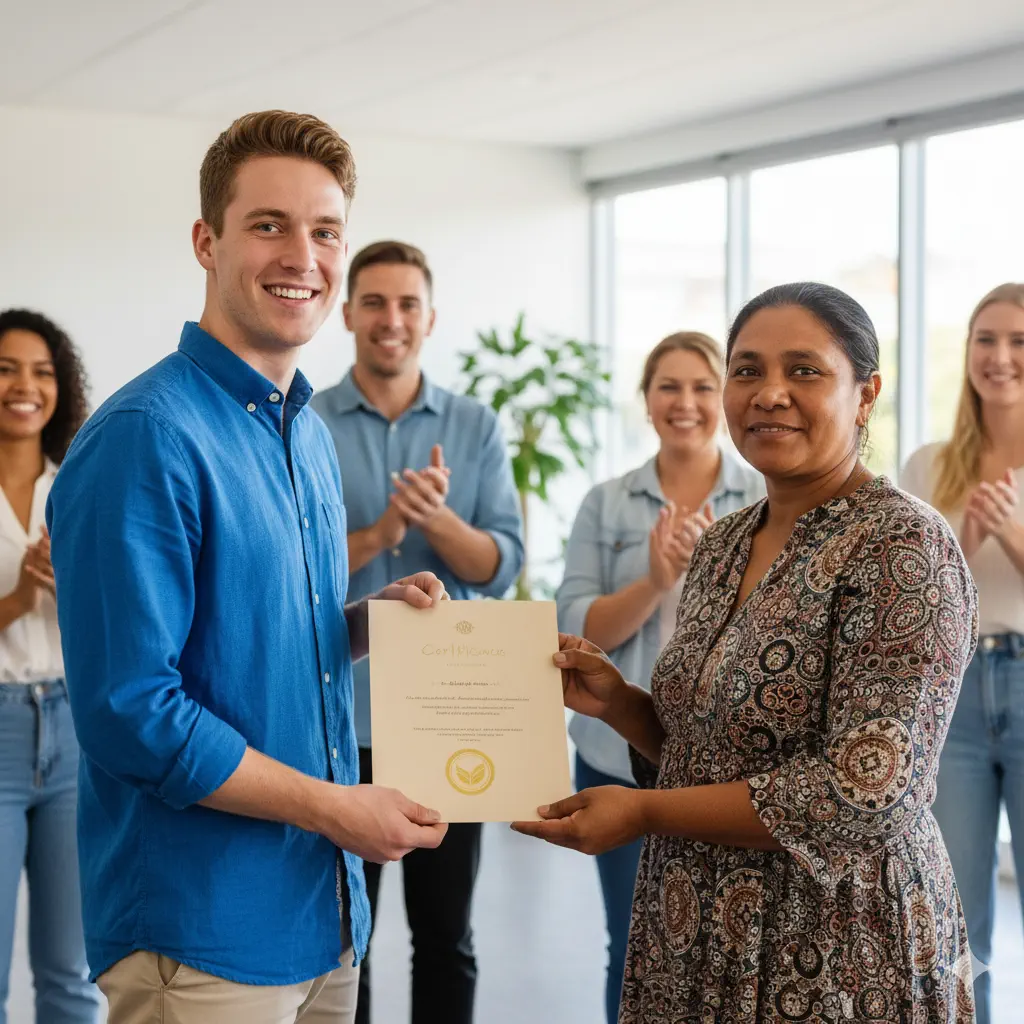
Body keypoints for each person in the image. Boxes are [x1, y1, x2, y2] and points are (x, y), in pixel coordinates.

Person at [46, 112, 452, 1024]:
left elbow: (253, 647)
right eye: (268, 224)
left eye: (324, 230)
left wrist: (361, 624)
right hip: (201, 931)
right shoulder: (145, 439)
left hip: (323, 909)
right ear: (206, 241)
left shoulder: (300, 429)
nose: (300, 255)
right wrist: (333, 809)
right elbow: (131, 713)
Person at [516, 282, 977, 1023]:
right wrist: (621, 706)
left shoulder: (901, 545)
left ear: (866, 394)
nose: (768, 394)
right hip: (695, 921)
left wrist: (642, 815)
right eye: (748, 370)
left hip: (834, 945)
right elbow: (708, 750)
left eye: (804, 370)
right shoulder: (725, 542)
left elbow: (864, 791)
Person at [311, 240, 523, 1024]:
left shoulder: (475, 426)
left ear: (429, 318)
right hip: (341, 717)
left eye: (406, 305)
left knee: (445, 934)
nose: (390, 320)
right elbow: (292, 570)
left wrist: (437, 521)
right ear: (347, 314)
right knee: (345, 941)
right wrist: (384, 529)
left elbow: (500, 564)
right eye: (374, 303)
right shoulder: (306, 422)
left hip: (446, 717)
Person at [556, 331, 763, 1023]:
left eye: (703, 386)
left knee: (728, 949)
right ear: (646, 401)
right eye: (668, 387)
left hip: (728, 768)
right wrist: (657, 580)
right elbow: (575, 631)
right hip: (615, 757)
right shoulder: (606, 504)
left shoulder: (763, 499)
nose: (686, 402)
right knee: (636, 944)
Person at [900, 281, 1024, 1024]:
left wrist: (1010, 534)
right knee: (951, 914)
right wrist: (968, 539)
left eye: (1018, 341)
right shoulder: (928, 466)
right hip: (951, 694)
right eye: (986, 339)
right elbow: (915, 601)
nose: (1000, 357)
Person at [0, 310, 97, 1024]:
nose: (24, 386)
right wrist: (22, 595)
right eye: (5, 369)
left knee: (73, 971)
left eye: (41, 371)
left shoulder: (83, 486)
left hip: (75, 728)